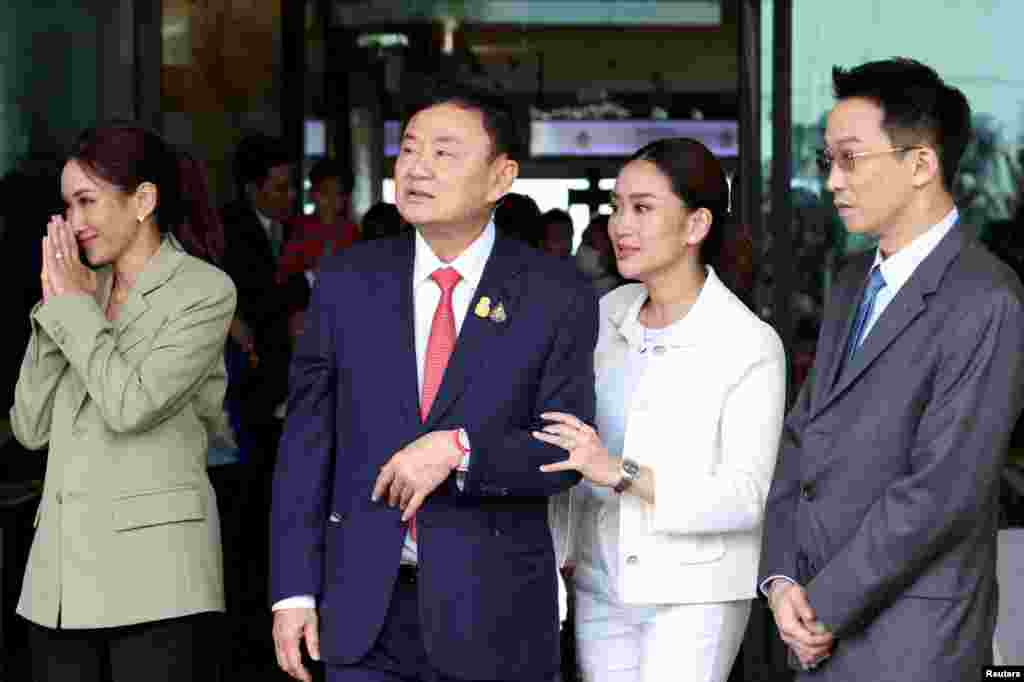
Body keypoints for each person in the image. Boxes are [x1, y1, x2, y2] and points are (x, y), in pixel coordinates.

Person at [270, 81, 599, 682]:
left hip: (493, 615)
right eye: (409, 149)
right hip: (363, 610)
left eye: (444, 153)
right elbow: (306, 442)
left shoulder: (555, 294)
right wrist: (292, 591)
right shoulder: (348, 281)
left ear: (501, 177)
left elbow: (564, 452)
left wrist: (461, 449)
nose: (417, 168)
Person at [759, 58, 1024, 681]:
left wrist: (822, 606)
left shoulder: (987, 298)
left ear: (921, 164)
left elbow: (942, 490)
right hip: (813, 623)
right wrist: (781, 578)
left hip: (911, 639)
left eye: (851, 159)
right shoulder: (854, 280)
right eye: (827, 160)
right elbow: (803, 437)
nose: (831, 181)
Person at [542, 138, 786, 682]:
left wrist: (619, 472)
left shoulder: (748, 342)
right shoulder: (608, 313)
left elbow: (745, 498)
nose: (620, 225)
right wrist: (566, 541)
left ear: (696, 224)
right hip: (602, 581)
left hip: (693, 592)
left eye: (643, 208)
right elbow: (574, 435)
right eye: (617, 207)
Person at [8, 122, 236, 681]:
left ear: (143, 200)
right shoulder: (82, 289)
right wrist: (57, 310)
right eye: (67, 206)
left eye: (87, 201)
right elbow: (30, 428)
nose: (74, 222)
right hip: (60, 579)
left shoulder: (203, 292)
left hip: (157, 577)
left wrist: (74, 311)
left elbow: (131, 405)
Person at [278, 158, 360, 340]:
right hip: (305, 313)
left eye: (337, 194)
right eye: (324, 193)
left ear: (345, 198)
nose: (330, 200)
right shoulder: (300, 228)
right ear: (313, 194)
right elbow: (285, 275)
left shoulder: (350, 231)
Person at [576, 215, 625, 296]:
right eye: (583, 240)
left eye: (591, 244)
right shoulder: (581, 288)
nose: (581, 249)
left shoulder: (624, 296)